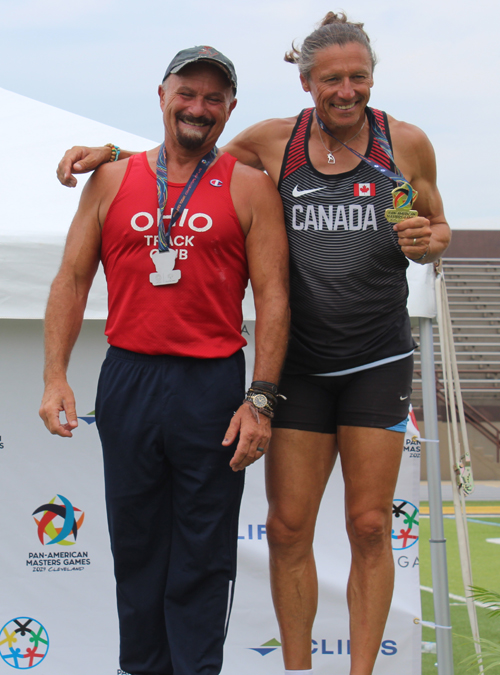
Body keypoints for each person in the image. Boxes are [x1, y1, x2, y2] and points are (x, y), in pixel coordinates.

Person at [55, 13, 451, 675]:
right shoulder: (272, 143)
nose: (347, 90)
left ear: (373, 78)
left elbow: (435, 224)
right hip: (298, 364)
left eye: (359, 77)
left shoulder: (404, 144)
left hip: (377, 357)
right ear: (306, 82)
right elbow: (185, 163)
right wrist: (113, 156)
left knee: (371, 525)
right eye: (332, 79)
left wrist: (430, 240)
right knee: (288, 530)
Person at [40, 46, 289, 675]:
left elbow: (275, 301)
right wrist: (54, 376)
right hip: (129, 377)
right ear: (161, 95)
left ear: (230, 110)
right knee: (137, 544)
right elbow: (71, 280)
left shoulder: (251, 187)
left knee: (204, 550)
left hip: (210, 384)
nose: (198, 108)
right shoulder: (112, 178)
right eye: (187, 93)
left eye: (213, 98)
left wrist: (259, 399)